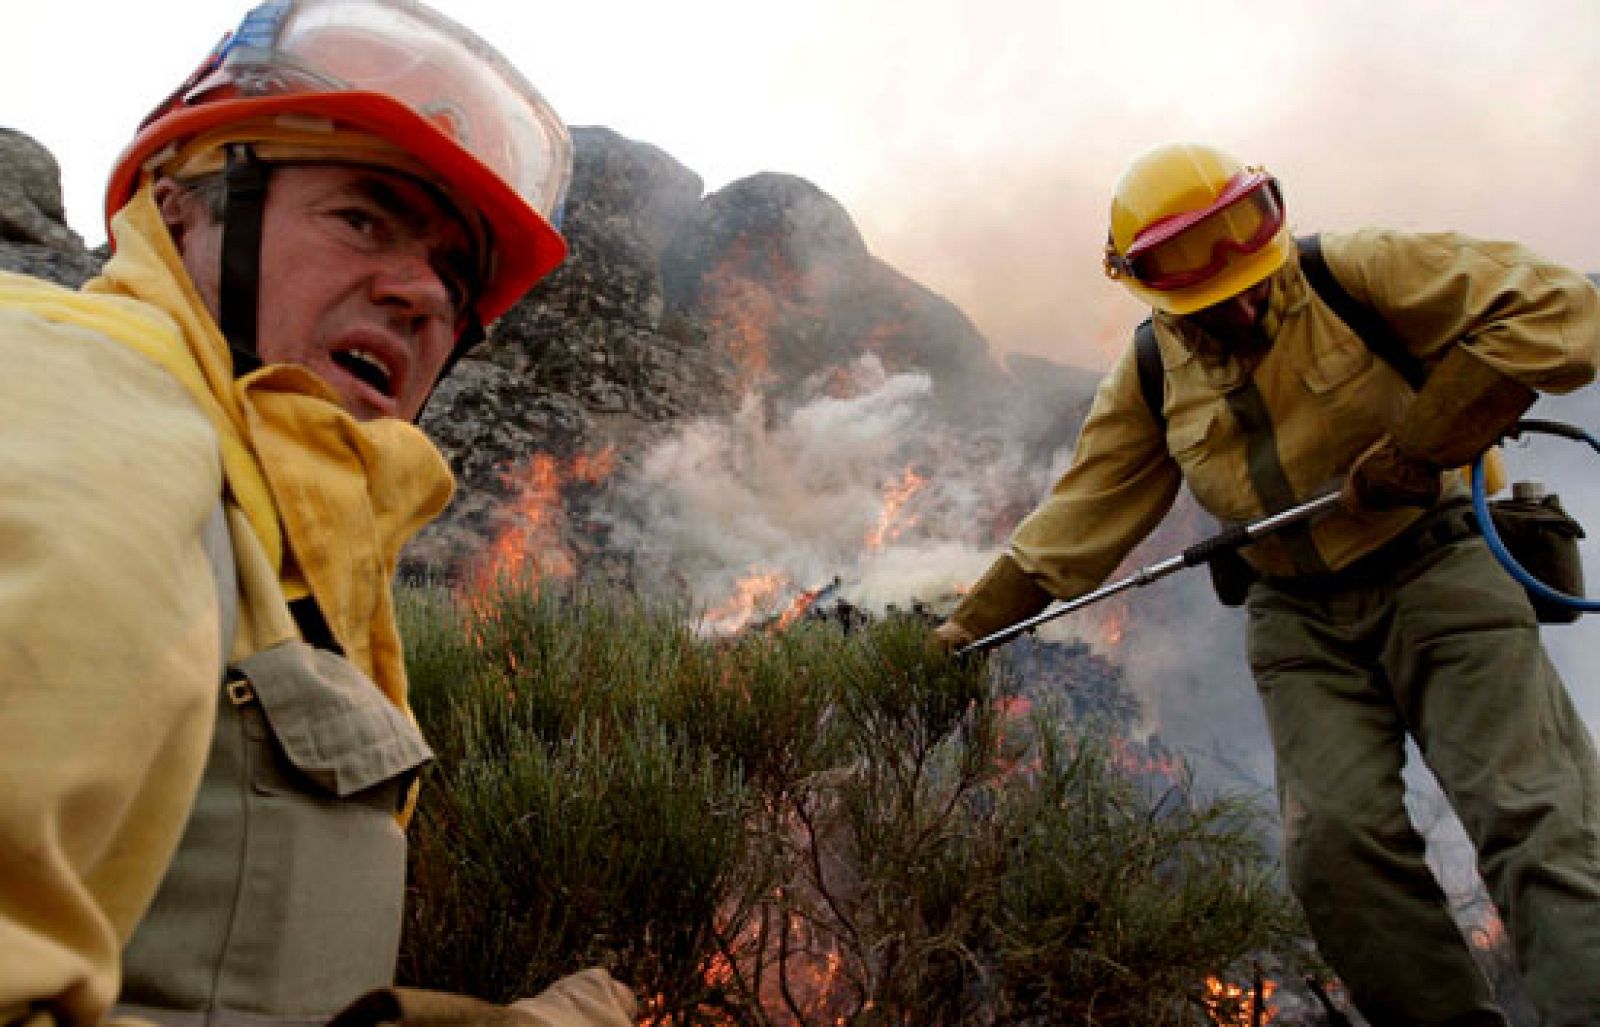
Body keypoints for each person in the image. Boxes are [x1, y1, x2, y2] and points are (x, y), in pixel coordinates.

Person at [0, 1, 635, 1024]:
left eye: (454, 272)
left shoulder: (271, 526)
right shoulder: (89, 410)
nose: (420, 292)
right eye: (363, 217)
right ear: (182, 210)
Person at [934, 141, 1600, 1025]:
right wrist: (953, 636)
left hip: (1437, 562)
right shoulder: (1149, 374)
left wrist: (1419, 446)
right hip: (1299, 618)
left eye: (1244, 259)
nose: (1240, 298)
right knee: (1334, 849)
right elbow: (1073, 526)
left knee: (1533, 816)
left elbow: (1564, 313)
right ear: (1147, 282)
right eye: (1205, 287)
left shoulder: (1356, 271)